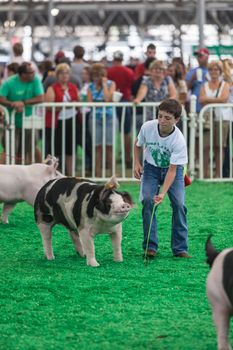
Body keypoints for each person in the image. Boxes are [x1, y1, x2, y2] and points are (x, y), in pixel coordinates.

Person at [134, 98, 190, 259]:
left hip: (173, 171)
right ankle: (150, 247)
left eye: (167, 118)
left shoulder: (179, 140)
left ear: (177, 120)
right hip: (150, 168)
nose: (162, 121)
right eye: (160, 116)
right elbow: (138, 144)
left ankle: (180, 249)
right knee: (147, 201)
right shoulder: (147, 127)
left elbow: (172, 171)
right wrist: (136, 163)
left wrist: (163, 193)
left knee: (179, 204)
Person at [0, 62, 44, 164]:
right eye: (31, 72)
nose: (34, 74)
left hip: (29, 121)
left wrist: (23, 103)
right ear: (23, 74)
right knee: (9, 151)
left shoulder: (35, 80)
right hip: (11, 122)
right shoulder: (9, 82)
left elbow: (41, 98)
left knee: (29, 149)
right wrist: (12, 104)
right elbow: (1, 98)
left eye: (34, 72)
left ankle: (26, 173)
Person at [45, 63, 79, 176]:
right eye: (62, 73)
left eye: (67, 73)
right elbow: (49, 106)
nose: (64, 75)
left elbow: (78, 102)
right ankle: (55, 174)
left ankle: (70, 174)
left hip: (71, 120)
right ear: (57, 75)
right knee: (56, 149)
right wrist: (66, 106)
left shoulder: (73, 87)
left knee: (70, 148)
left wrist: (73, 105)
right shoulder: (52, 88)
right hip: (57, 122)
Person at [199, 60, 231, 178]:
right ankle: (204, 174)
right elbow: (201, 100)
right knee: (206, 146)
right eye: (211, 69)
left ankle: (218, 174)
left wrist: (208, 99)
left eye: (216, 69)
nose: (213, 72)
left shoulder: (225, 85)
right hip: (207, 120)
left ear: (220, 71)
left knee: (220, 146)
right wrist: (215, 99)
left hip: (222, 119)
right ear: (208, 71)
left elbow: (224, 99)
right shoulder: (204, 85)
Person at [87, 63, 116, 177]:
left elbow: (108, 99)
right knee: (97, 146)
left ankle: (112, 174)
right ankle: (98, 174)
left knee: (110, 146)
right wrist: (102, 103)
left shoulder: (111, 84)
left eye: (99, 75)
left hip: (109, 117)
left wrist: (104, 85)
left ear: (104, 75)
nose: (97, 77)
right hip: (95, 117)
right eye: (95, 75)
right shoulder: (90, 87)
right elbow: (90, 103)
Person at [107, 50, 134, 168]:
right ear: (122, 59)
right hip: (125, 102)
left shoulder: (109, 71)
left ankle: (109, 160)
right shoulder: (128, 71)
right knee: (126, 132)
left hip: (112, 102)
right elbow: (132, 86)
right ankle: (127, 158)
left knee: (109, 132)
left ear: (113, 59)